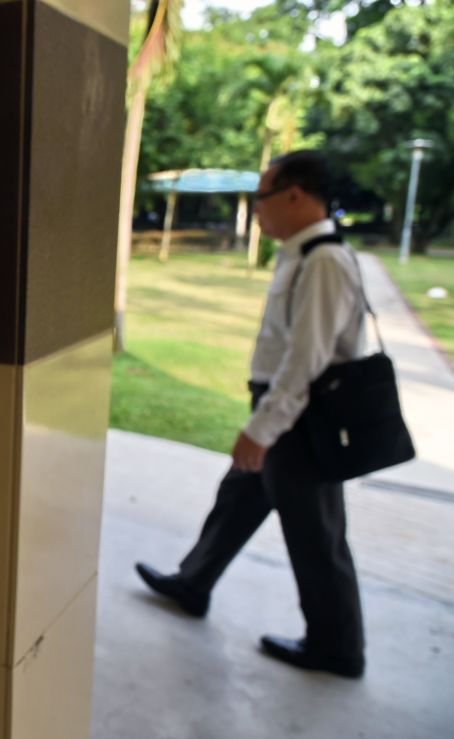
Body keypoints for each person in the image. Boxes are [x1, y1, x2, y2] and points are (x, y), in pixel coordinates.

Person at [135, 150, 367, 679]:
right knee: (238, 498)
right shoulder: (298, 253)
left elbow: (306, 359)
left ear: (295, 195)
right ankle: (193, 583)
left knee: (316, 534)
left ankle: (337, 647)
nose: (256, 208)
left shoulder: (325, 260)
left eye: (262, 197)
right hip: (285, 413)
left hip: (299, 422)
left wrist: (263, 427)